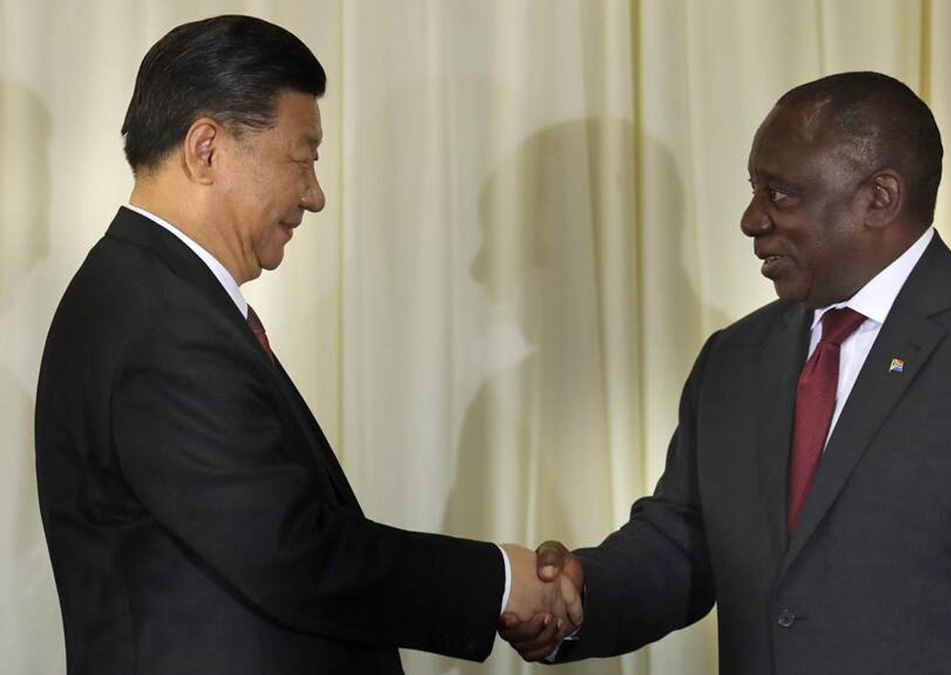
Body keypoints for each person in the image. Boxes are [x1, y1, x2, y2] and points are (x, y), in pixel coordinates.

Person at [499, 71, 951, 673]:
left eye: (778, 193)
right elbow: (683, 544)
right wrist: (578, 592)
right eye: (754, 191)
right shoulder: (733, 359)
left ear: (878, 198)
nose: (751, 220)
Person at [34, 15, 578, 675]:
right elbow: (287, 551)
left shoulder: (155, 296)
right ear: (206, 149)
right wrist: (497, 580)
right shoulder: (160, 320)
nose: (314, 196)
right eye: (304, 156)